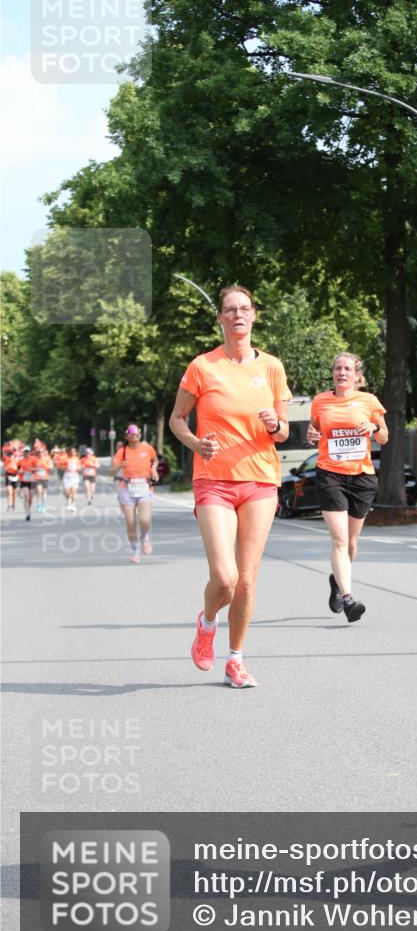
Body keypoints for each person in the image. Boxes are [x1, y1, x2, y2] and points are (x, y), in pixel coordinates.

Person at [169, 285, 291, 688]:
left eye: (245, 308)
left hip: (260, 480)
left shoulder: (271, 367)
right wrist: (195, 443)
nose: (238, 314)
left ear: (253, 315)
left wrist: (275, 424)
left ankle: (235, 660)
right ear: (220, 318)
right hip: (214, 481)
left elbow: (284, 432)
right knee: (225, 578)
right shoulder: (202, 367)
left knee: (247, 580)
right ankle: (207, 624)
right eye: (230, 309)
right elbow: (177, 419)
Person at [309, 352, 389, 622]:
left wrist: (373, 427)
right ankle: (348, 598)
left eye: (347, 369)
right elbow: (315, 430)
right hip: (330, 474)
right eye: (338, 368)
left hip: (361, 477)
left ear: (357, 375)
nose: (342, 372)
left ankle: (336, 580)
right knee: (340, 540)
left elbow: (384, 436)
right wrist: (311, 434)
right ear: (333, 373)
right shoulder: (320, 401)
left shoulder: (369, 401)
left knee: (352, 543)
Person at [111, 424, 159, 563]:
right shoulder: (122, 452)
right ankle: (135, 551)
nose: (134, 436)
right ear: (126, 436)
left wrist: (154, 469)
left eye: (136, 433)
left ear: (140, 435)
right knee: (131, 523)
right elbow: (111, 472)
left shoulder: (147, 448)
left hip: (144, 487)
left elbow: (155, 460)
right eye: (131, 434)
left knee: (144, 520)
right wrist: (119, 466)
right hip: (127, 489)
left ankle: (144, 537)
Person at [17, 446, 38, 521]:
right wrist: (20, 472)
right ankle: (27, 513)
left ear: (29, 452)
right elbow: (18, 470)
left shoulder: (33, 459)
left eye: (27, 451)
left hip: (32, 480)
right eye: (25, 451)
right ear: (23, 452)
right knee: (26, 496)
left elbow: (38, 468)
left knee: (31, 498)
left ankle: (28, 509)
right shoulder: (20, 461)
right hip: (24, 480)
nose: (26, 453)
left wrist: (31, 469)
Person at [34, 447, 53, 513]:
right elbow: (31, 467)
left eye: (42, 452)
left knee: (43, 493)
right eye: (39, 452)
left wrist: (45, 466)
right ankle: (38, 505)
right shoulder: (35, 459)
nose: (41, 453)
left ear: (44, 453)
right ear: (37, 453)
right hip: (37, 477)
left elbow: (51, 467)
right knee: (39, 491)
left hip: (45, 477)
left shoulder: (47, 459)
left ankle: (42, 505)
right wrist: (36, 468)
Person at [62, 447, 82, 512]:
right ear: (69, 452)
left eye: (74, 451)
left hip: (74, 475)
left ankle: (73, 505)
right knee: (66, 492)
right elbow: (61, 466)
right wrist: (65, 467)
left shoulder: (77, 459)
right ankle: (68, 500)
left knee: (73, 491)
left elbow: (80, 467)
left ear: (75, 452)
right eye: (71, 451)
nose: (72, 452)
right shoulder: (66, 459)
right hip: (67, 475)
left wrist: (78, 468)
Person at [3, 444, 20, 511]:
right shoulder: (6, 459)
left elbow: (20, 468)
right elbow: (4, 467)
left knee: (14, 493)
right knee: (9, 492)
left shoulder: (18, 460)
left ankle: (13, 504)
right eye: (10, 454)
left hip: (16, 477)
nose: (11, 456)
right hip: (9, 476)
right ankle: (9, 506)